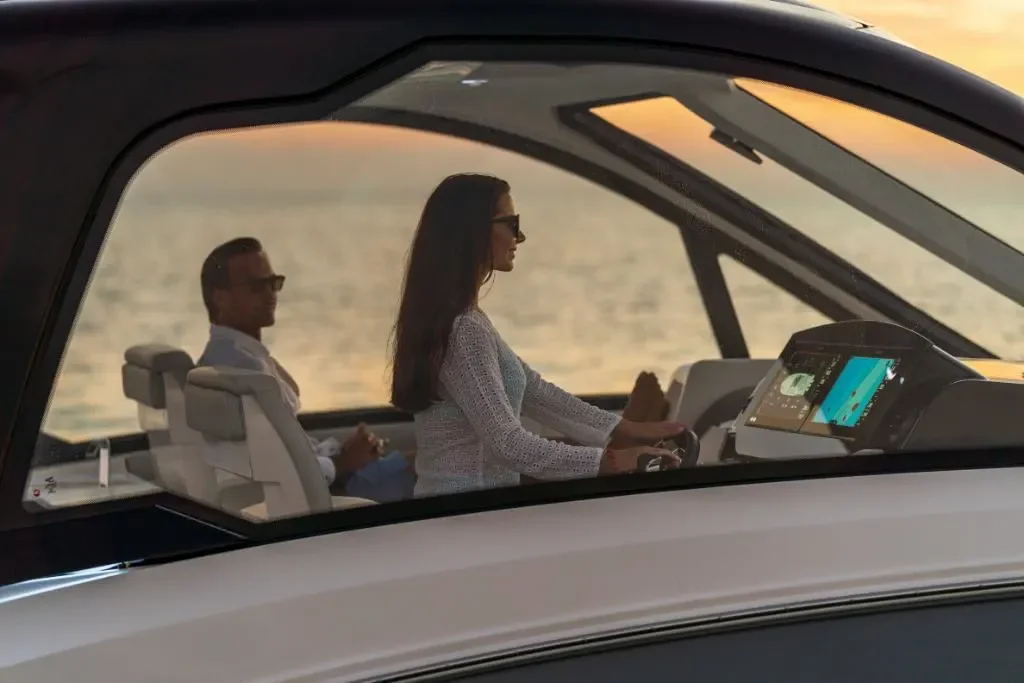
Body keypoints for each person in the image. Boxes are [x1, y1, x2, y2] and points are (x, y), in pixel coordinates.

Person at [389, 173, 688, 497]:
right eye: (511, 223)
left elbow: (533, 389)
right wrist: (609, 462)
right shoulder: (464, 330)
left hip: (469, 513)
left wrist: (622, 429)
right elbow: (508, 444)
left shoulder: (464, 320)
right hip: (466, 517)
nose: (520, 236)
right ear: (474, 231)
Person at [197, 237, 415, 502]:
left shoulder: (226, 356)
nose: (270, 294)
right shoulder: (243, 369)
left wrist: (339, 452)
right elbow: (283, 469)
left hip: (315, 480)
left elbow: (281, 449)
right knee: (426, 465)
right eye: (257, 286)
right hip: (320, 494)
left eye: (274, 283)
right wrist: (343, 462)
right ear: (220, 297)